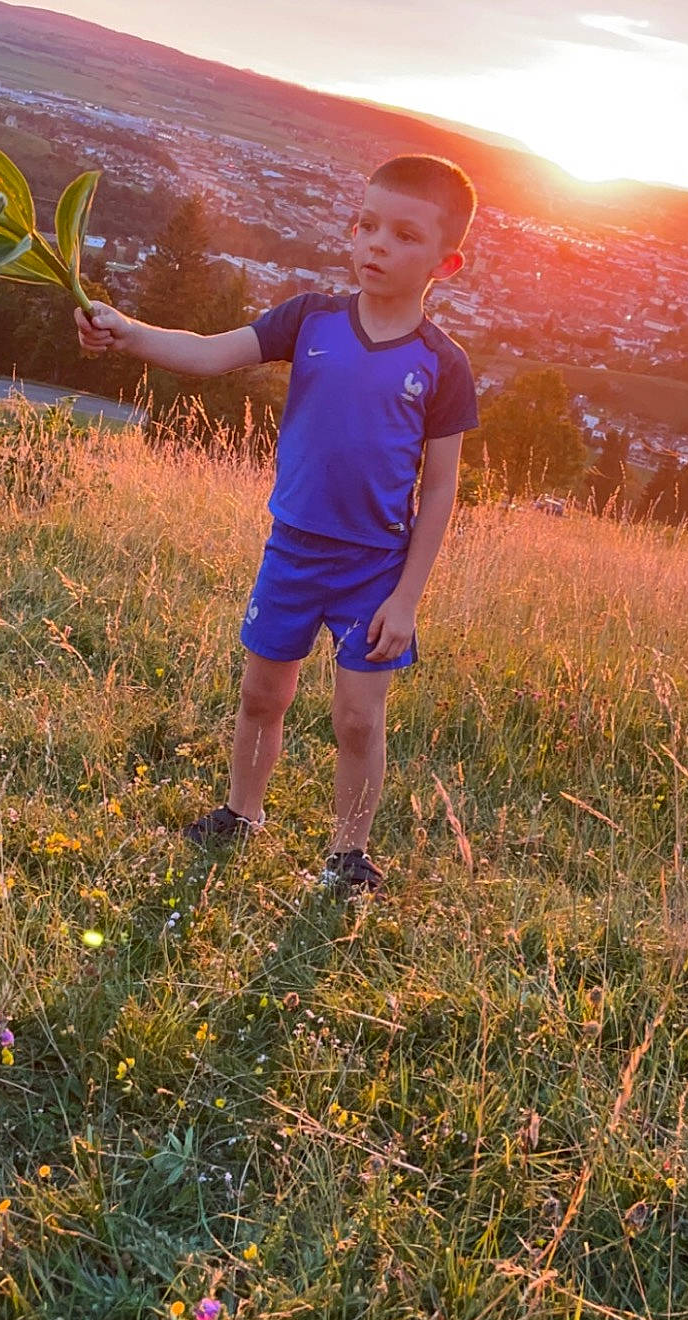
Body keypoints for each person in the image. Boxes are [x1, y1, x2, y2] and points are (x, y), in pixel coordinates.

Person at [74, 153, 478, 893]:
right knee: (264, 695)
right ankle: (241, 813)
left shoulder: (442, 364)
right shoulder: (311, 319)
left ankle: (348, 856)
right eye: (366, 224)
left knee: (358, 718)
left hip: (376, 569)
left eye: (403, 235)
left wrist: (407, 597)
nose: (375, 245)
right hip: (291, 550)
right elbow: (211, 353)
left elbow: (443, 491)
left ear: (445, 262)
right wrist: (126, 330)